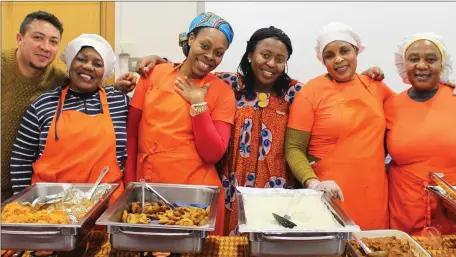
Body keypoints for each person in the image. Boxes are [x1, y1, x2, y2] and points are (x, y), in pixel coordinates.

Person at [129, 28, 385, 236]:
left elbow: (333, 92)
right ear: (250, 55)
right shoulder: (228, 85)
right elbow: (195, 67)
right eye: (265, 55)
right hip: (233, 187)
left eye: (279, 59)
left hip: (279, 191)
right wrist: (159, 60)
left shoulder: (296, 93)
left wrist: (364, 75)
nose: (271, 64)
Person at [1, 11, 138, 201]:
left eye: (97, 63)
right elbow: (21, 162)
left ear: (105, 72)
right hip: (50, 210)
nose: (88, 67)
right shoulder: (42, 105)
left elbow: (136, 147)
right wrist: (23, 205)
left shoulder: (119, 102)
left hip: (106, 207)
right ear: (70, 63)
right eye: (81, 59)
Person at [125, 12, 236, 236]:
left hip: (196, 199)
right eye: (204, 45)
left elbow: (213, 154)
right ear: (191, 39)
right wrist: (130, 186)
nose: (209, 57)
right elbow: (132, 134)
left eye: (218, 53)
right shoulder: (155, 74)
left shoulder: (223, 93)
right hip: (149, 190)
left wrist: (198, 104)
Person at [286, 22, 393, 230]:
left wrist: (443, 87)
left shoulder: (376, 87)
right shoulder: (310, 92)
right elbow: (293, 148)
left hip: (373, 195)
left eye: (345, 51)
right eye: (330, 55)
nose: (339, 59)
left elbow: (409, 112)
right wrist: (313, 183)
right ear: (323, 60)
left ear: (356, 51)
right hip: (329, 194)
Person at [385, 32, 456, 235]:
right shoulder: (390, 106)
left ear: (442, 65)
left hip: (451, 221)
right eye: (414, 59)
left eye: (431, 59)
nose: (422, 65)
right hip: (404, 220)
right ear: (403, 64)